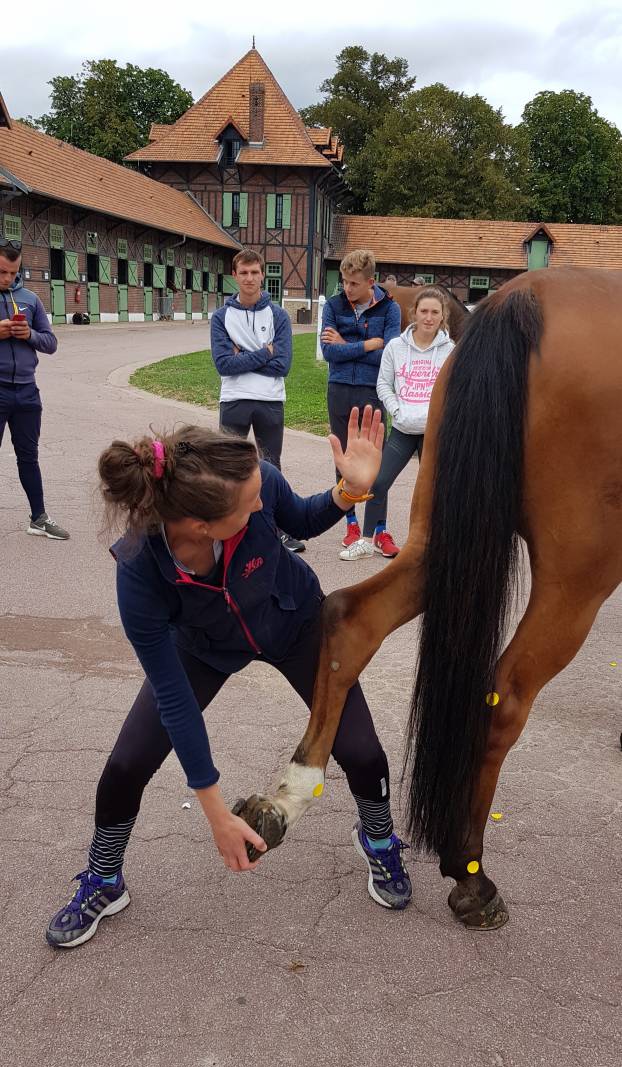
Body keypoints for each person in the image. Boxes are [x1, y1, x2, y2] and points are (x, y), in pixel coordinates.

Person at [45, 411, 412, 948]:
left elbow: (302, 520)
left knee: (363, 751)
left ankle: (377, 837)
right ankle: (104, 876)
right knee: (126, 764)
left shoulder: (251, 474)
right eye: (250, 506)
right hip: (205, 648)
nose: (261, 504)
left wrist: (347, 491)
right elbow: (174, 699)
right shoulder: (140, 571)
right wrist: (215, 813)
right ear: (201, 525)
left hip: (295, 621)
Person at [340, 287, 454, 561]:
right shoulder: (396, 347)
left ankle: (438, 545)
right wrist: (396, 410)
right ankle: (367, 540)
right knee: (377, 483)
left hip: (434, 432)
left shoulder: (451, 350)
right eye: (424, 311)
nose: (428, 317)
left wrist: (439, 416)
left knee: (439, 489)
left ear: (442, 317)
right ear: (414, 313)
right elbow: (383, 384)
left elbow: (456, 389)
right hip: (402, 428)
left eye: (434, 313)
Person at [210, 248, 304, 554]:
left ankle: (276, 529)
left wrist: (244, 356)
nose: (249, 278)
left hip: (270, 400)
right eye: (244, 273)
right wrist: (265, 353)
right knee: (228, 467)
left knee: (270, 467)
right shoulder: (221, 317)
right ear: (234, 276)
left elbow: (284, 365)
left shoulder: (278, 315)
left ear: (262, 275)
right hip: (234, 398)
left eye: (255, 272)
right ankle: (227, 529)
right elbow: (224, 364)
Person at [320, 249, 401, 557]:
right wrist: (367, 344)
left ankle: (379, 529)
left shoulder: (390, 309)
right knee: (344, 457)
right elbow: (329, 353)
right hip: (339, 388)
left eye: (354, 284)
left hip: (373, 390)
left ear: (371, 282)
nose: (347, 289)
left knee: (376, 463)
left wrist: (346, 345)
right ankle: (351, 524)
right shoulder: (333, 305)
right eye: (344, 282)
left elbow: (389, 356)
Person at [0, 239, 69, 539]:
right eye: (2, 271)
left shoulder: (30, 299)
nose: (7, 278)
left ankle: (38, 518)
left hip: (27, 392)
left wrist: (28, 334)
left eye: (13, 273)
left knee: (29, 456)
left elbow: (51, 343)